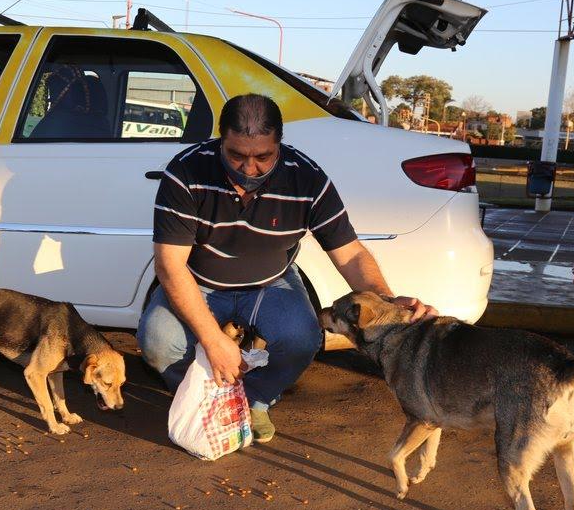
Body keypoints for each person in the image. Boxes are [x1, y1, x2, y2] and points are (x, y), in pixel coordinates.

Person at [137, 94, 436, 443]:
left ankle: (255, 399)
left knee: (303, 338)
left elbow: (351, 254)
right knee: (157, 341)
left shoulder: (307, 179)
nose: (249, 169)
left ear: (279, 144)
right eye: (236, 155)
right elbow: (170, 267)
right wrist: (213, 340)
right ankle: (209, 393)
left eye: (263, 157)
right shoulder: (186, 172)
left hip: (270, 283)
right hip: (199, 281)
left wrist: (385, 303)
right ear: (221, 140)